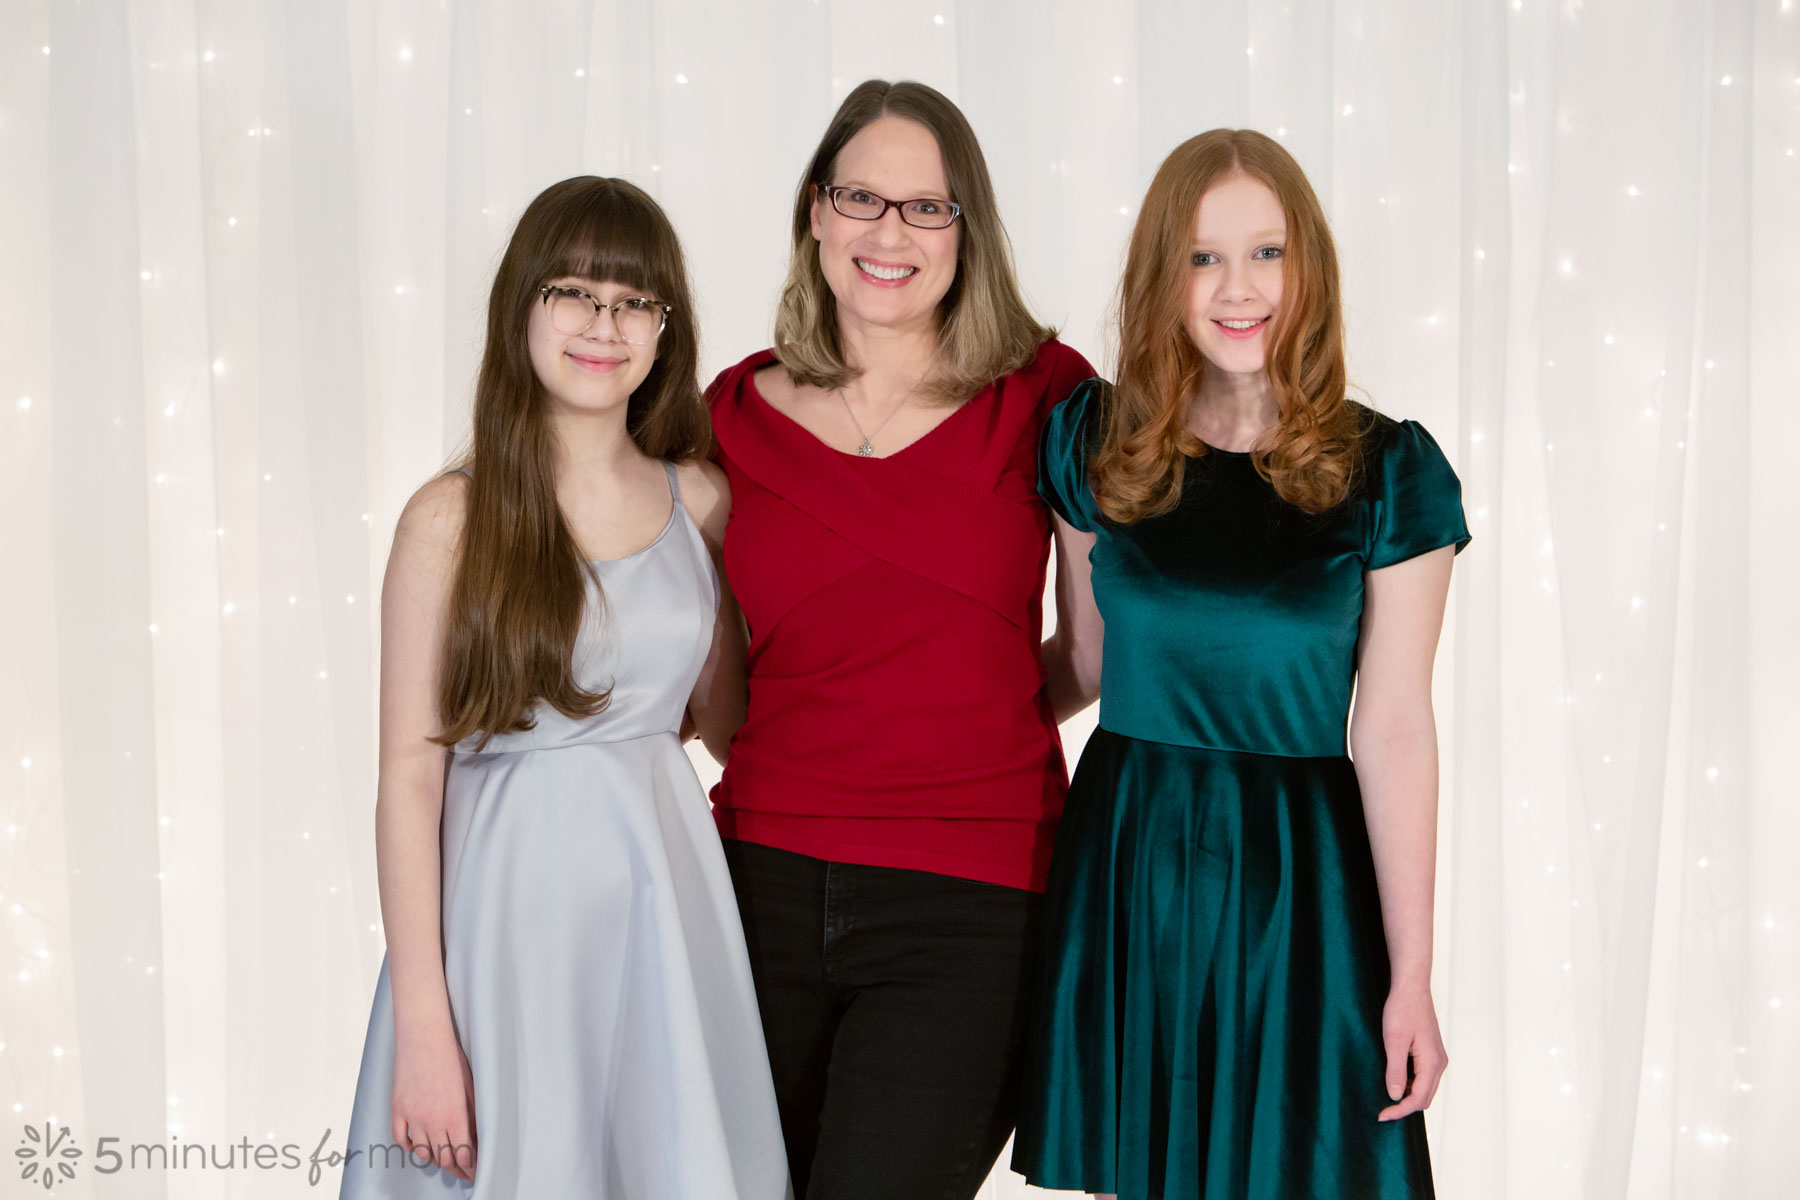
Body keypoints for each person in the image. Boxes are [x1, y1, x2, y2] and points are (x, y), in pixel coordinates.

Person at [1012, 129, 1466, 1200]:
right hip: (1134, 859)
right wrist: (913, 720)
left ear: (1308, 266)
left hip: (1298, 882)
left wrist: (1411, 979)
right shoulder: (1094, 445)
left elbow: (1393, 725)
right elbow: (1080, 658)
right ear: (1162, 276)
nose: (1236, 289)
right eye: (1203, 257)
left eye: (1266, 253)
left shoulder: (1388, 471)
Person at [338, 176, 788, 1199]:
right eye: (575, 292)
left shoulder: (701, 501)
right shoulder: (450, 520)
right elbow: (410, 780)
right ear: (522, 309)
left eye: (635, 301)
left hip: (664, 915)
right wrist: (424, 1029)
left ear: (666, 328)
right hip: (503, 925)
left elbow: (729, 723)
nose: (605, 324)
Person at [705, 79, 1096, 1199]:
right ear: (815, 214)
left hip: (972, 899)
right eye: (862, 197)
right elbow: (710, 671)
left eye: (928, 207)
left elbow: (1097, 654)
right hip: (752, 886)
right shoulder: (727, 414)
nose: (890, 232)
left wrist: (963, 727)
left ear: (968, 228)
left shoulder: (1049, 398)